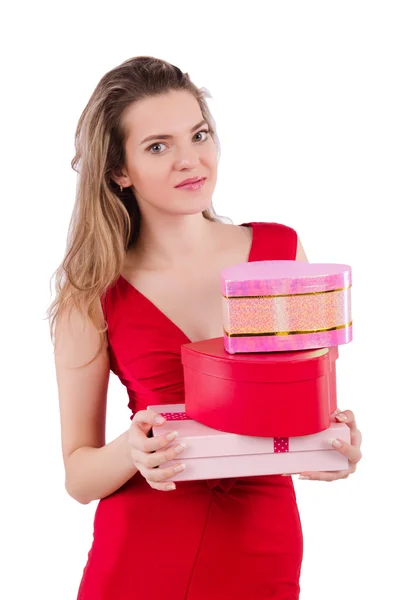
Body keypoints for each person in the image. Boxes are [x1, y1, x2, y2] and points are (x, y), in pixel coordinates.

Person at [48, 56, 363, 600]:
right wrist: (133, 449)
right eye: (157, 146)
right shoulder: (92, 292)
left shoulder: (280, 254)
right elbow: (78, 478)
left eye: (198, 135)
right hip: (142, 547)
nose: (190, 161)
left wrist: (336, 444)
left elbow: (306, 398)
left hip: (263, 538)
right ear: (119, 171)